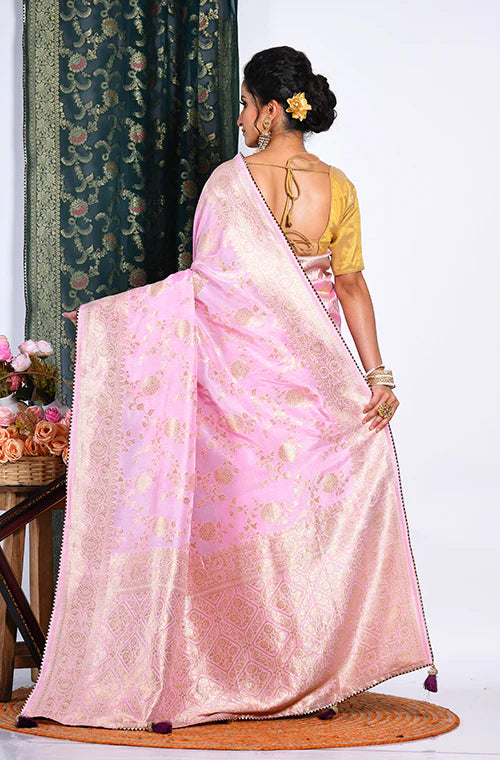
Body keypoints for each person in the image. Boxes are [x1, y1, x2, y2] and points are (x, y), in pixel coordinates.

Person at [20, 46, 437, 733]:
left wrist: (111, 320)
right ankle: (304, 672)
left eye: (245, 104)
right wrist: (376, 376)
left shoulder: (229, 183)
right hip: (317, 380)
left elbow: (206, 290)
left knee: (242, 519)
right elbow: (351, 284)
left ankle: (236, 669)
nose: (240, 118)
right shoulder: (339, 187)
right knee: (303, 522)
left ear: (272, 111)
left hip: (239, 386)